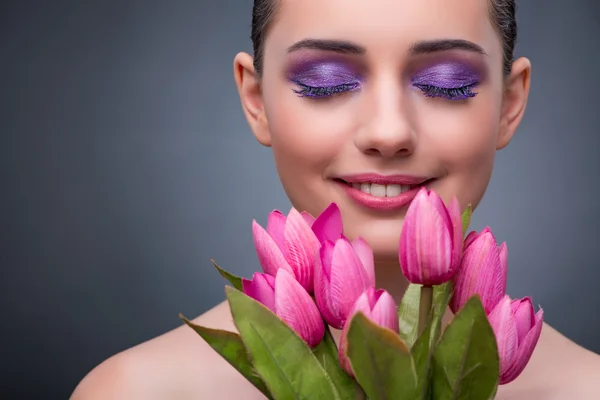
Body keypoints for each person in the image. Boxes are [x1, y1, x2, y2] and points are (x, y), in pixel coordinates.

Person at [71, 0, 600, 398]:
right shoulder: (136, 390)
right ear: (256, 101)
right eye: (325, 83)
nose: (389, 131)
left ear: (509, 104)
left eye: (447, 82)